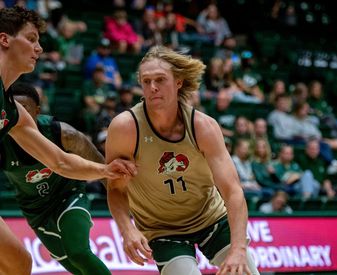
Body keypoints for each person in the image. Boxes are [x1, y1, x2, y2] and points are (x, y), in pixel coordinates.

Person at [0, 6, 135, 275]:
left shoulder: (14, 112)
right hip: (36, 209)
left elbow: (59, 161)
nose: (38, 48)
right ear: (4, 39)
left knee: (18, 264)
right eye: (30, 39)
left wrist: (104, 170)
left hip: (58, 199)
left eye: (38, 41)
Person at [106, 46, 259, 275]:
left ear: (178, 82)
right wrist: (127, 229)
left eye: (160, 79)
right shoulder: (125, 128)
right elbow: (115, 188)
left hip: (211, 219)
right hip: (161, 229)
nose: (153, 87)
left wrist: (238, 249)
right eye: (146, 81)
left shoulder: (203, 127)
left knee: (245, 271)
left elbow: (233, 191)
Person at [1, 83, 112, 274]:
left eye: (25, 110)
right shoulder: (3, 143)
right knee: (73, 266)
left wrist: (114, 190)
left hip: (68, 196)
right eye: (15, 112)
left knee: (78, 252)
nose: (19, 117)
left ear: (37, 111)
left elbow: (96, 159)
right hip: (36, 210)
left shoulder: (62, 133)